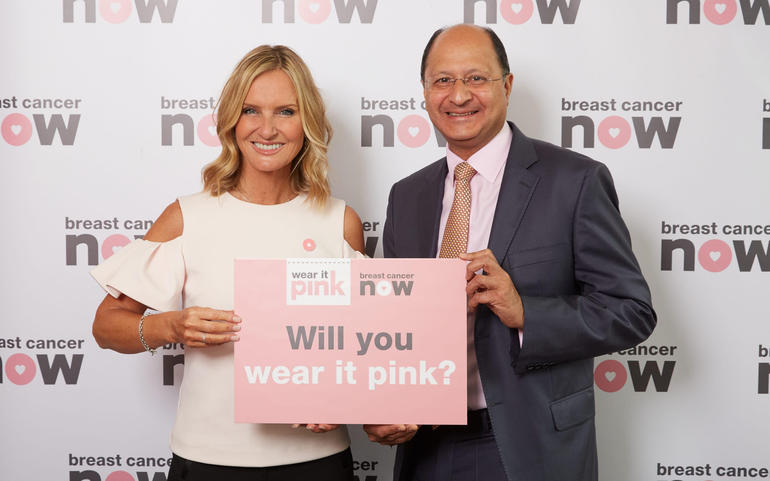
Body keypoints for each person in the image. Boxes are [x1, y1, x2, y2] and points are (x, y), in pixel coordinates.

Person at [363, 25, 656, 481]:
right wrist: (383, 404)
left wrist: (525, 313)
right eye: (443, 80)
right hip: (427, 447)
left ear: (507, 85)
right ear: (424, 91)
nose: (459, 95)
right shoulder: (407, 196)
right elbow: (391, 326)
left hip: (530, 447)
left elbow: (631, 312)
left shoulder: (574, 181)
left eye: (475, 78)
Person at [91, 45, 363, 481]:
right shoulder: (187, 216)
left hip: (319, 461)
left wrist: (344, 399)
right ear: (232, 121)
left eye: (286, 111)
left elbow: (363, 346)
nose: (267, 128)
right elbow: (106, 326)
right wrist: (172, 326)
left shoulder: (340, 222)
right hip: (208, 460)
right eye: (251, 110)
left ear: (307, 121)